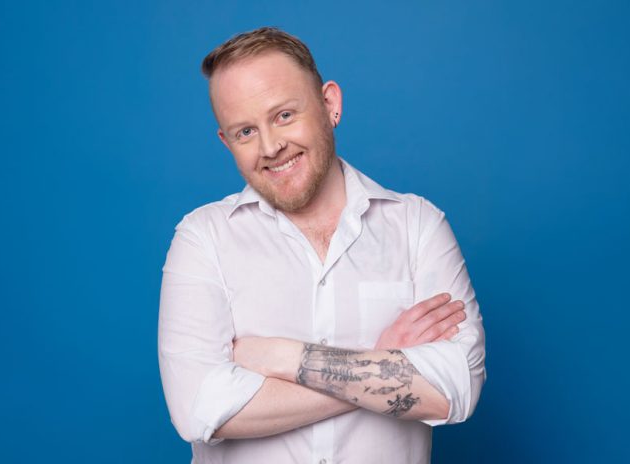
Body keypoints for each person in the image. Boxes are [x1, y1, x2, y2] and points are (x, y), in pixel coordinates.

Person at [158, 26, 486, 463]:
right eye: (245, 132)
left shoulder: (417, 226)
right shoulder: (203, 238)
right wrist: (380, 362)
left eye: (284, 115)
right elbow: (198, 409)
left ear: (330, 104)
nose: (271, 147)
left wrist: (280, 357)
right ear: (226, 141)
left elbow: (456, 388)